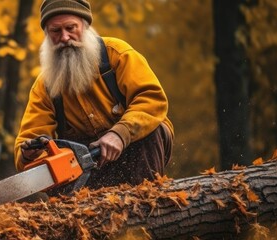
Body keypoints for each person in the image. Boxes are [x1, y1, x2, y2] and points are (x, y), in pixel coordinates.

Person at [14, 0, 174, 195]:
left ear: (86, 26)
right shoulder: (44, 86)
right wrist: (29, 154)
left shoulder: (118, 55)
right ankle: (76, 220)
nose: (64, 37)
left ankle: (148, 204)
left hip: (135, 151)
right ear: (47, 35)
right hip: (87, 167)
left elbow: (152, 99)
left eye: (71, 28)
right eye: (55, 31)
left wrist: (120, 134)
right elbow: (30, 136)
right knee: (51, 167)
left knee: (152, 129)